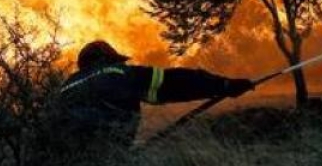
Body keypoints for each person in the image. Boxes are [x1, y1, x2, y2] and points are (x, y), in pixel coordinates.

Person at [55, 39, 254, 146]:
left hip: (61, 151)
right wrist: (225, 85)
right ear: (111, 59)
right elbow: (176, 83)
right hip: (103, 149)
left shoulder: (67, 84)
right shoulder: (120, 73)